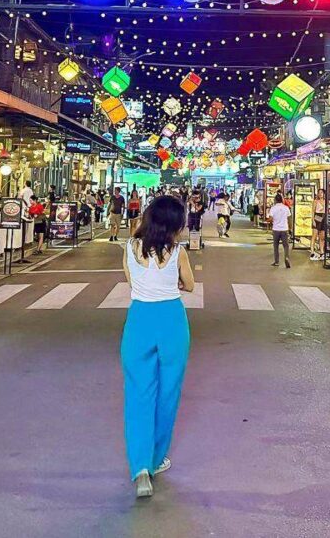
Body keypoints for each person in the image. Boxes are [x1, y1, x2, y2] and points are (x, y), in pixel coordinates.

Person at [120, 195, 195, 499]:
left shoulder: (130, 247)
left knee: (138, 394)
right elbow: (189, 285)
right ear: (174, 223)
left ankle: (140, 469)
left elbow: (130, 281)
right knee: (167, 394)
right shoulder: (179, 253)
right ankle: (155, 460)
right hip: (171, 321)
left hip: (139, 320)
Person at [269, 193, 292, 268]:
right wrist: (290, 228)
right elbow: (289, 219)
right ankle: (286, 257)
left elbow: (271, 219)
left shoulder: (273, 208)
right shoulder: (286, 208)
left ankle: (276, 262)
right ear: (282, 200)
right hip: (284, 229)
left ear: (275, 200)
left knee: (276, 246)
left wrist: (270, 221)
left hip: (276, 229)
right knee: (286, 246)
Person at [311, 189, 326, 262]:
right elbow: (313, 211)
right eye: (319, 193)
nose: (320, 194)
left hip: (324, 218)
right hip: (317, 218)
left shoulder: (326, 201)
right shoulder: (315, 201)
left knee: (322, 237)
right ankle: (312, 253)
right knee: (314, 236)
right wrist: (313, 220)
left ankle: (322, 252)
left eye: (322, 193)